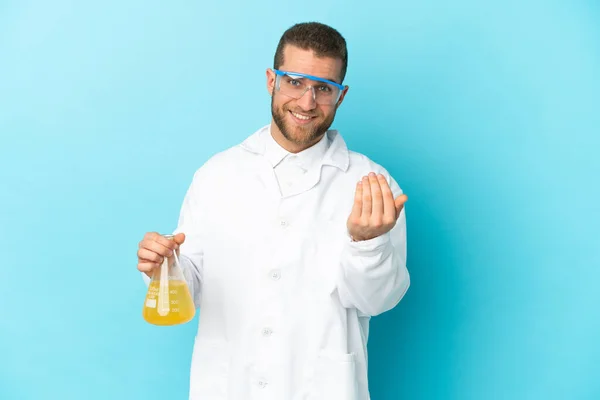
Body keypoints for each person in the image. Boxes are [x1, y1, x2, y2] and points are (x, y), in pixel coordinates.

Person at [137, 22, 410, 400]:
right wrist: (164, 265)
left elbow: (377, 302)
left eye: (323, 88)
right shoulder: (217, 174)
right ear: (272, 80)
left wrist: (368, 245)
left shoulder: (370, 183)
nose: (306, 102)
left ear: (340, 96)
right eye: (295, 82)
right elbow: (195, 284)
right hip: (229, 385)